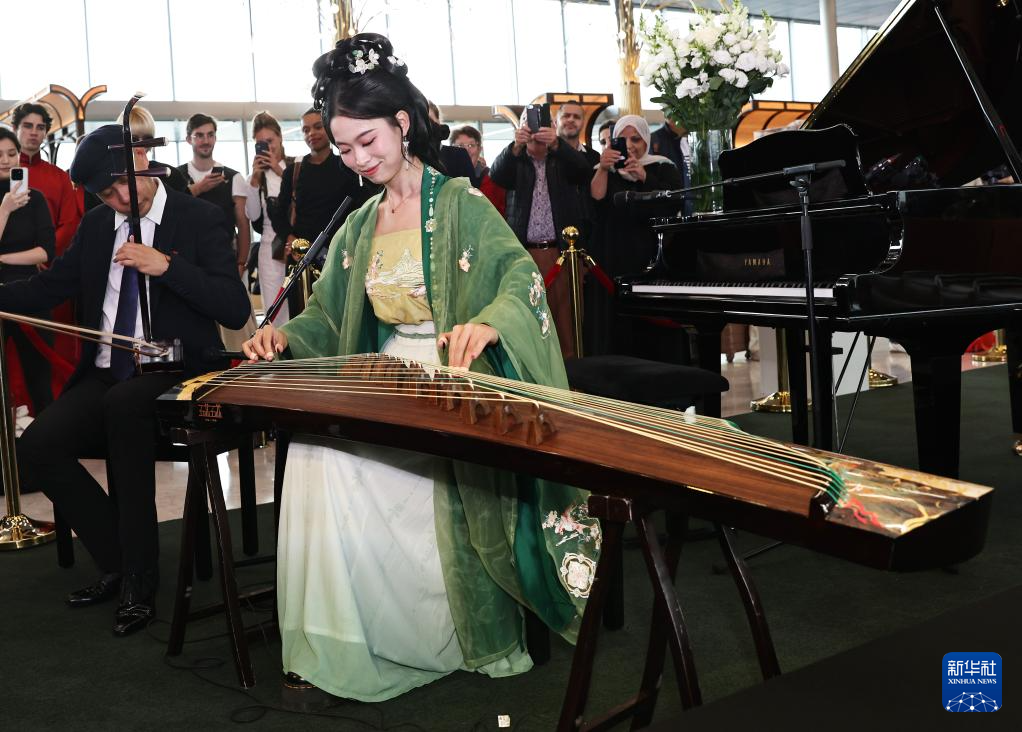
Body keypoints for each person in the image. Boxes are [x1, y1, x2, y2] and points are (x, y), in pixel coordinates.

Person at [242, 33, 597, 703]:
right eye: (344, 148)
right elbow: (327, 317)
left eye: (367, 141)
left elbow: (519, 279)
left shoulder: (460, 202)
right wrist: (282, 338)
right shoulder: (359, 223)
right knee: (315, 451)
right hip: (384, 382)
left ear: (403, 123)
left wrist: (490, 322)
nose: (358, 159)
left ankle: (421, 632)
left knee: (341, 462)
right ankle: (342, 639)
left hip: (452, 378)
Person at [0, 125, 251, 636]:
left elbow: (232, 306)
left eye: (121, 186)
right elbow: (50, 287)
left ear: (141, 161)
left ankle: (141, 575)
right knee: (39, 446)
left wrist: (167, 266)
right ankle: (118, 558)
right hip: (108, 373)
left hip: (177, 372)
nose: (118, 200)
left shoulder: (198, 217)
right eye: (104, 194)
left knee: (124, 407)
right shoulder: (98, 225)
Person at [489, 109, 593, 359]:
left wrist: (557, 144)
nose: (535, 129)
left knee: (567, 325)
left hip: (561, 253)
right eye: (528, 123)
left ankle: (572, 374)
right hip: (525, 254)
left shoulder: (561, 158)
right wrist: (515, 146)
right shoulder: (516, 160)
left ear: (553, 127)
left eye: (542, 124)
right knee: (530, 322)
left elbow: (583, 171)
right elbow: (496, 175)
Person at [591, 114, 686, 359]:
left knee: (653, 329)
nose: (630, 145)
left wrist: (644, 176)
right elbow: (596, 199)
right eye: (622, 139)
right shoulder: (605, 170)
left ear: (646, 140)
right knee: (618, 329)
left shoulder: (662, 166)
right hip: (614, 258)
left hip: (652, 257)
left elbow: (674, 202)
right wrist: (604, 168)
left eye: (636, 139)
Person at [271, 108, 377, 314]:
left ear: (328, 129)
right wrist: (292, 240)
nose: (312, 133)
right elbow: (278, 213)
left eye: (318, 127)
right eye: (306, 130)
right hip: (301, 259)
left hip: (339, 257)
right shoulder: (294, 171)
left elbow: (361, 209)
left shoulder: (347, 166)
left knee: (338, 315)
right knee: (301, 317)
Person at [0, 127, 56, 415]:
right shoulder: (8, 204)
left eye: (11, 153)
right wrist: (5, 209)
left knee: (39, 375)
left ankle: (46, 434)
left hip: (30, 292)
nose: (5, 160)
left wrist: (2, 259)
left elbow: (46, 251)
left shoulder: (35, 198)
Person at [178, 113, 251, 277]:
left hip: (224, 260)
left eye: (210, 135)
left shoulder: (234, 177)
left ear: (215, 138)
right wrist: (198, 188)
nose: (206, 141)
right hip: (187, 261)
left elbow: (243, 224)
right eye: (199, 135)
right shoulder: (177, 176)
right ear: (189, 139)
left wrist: (241, 262)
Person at [12, 103, 81, 259]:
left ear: (45, 132)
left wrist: (44, 254)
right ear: (15, 129)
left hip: (49, 261)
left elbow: (69, 224)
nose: (34, 132)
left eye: (40, 127)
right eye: (28, 126)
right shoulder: (4, 173)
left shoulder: (60, 177)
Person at [244, 111, 292, 324]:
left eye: (270, 141)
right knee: (275, 313)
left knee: (303, 306)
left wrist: (278, 169)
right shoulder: (255, 178)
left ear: (280, 137)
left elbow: (304, 198)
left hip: (298, 245)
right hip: (270, 252)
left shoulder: (296, 167)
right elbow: (252, 215)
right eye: (260, 144)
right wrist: (254, 181)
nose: (267, 147)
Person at [449, 124, 504, 215]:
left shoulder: (491, 179)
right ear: (450, 150)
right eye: (460, 146)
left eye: (471, 145)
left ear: (479, 149)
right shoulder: (444, 179)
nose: (466, 150)